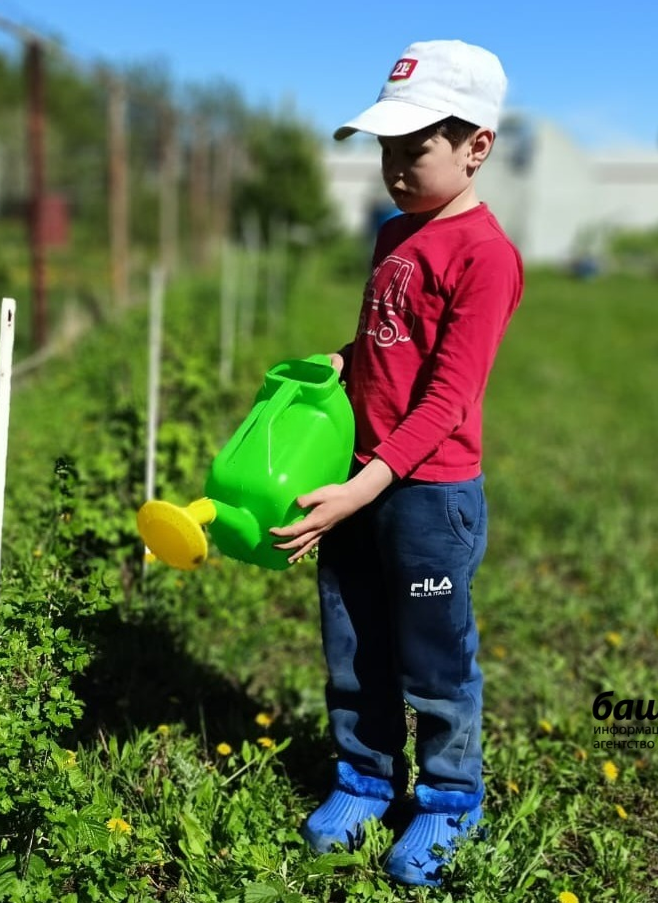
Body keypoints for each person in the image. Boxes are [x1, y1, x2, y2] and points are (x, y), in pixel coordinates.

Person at [266, 39, 524, 887]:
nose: (395, 166)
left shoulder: (485, 258)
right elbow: (391, 347)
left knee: (434, 659)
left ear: (475, 146)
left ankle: (451, 799)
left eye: (415, 148)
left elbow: (446, 399)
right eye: (385, 148)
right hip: (360, 481)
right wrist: (344, 360)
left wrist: (361, 489)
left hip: (427, 496)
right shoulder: (393, 236)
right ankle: (364, 779)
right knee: (354, 643)